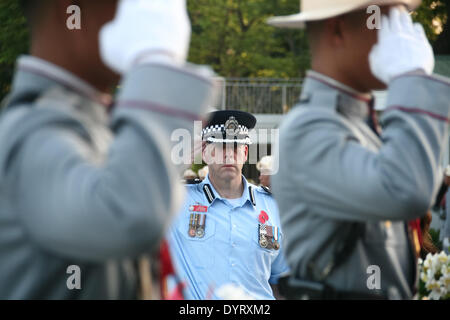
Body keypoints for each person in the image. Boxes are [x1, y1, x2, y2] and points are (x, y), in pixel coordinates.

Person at [0, 0, 217, 299]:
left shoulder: (85, 121)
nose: (140, 13)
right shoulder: (35, 133)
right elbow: (130, 216)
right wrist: (156, 58)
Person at [269, 0, 450, 299]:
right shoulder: (310, 129)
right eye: (388, 23)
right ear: (338, 29)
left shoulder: (357, 123)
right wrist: (410, 77)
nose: (401, 38)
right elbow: (408, 189)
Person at [167, 110, 290, 299]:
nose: (228, 155)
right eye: (219, 147)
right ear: (206, 154)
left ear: (245, 153)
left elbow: (280, 283)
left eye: (235, 147)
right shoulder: (178, 200)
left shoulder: (272, 207)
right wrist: (178, 165)